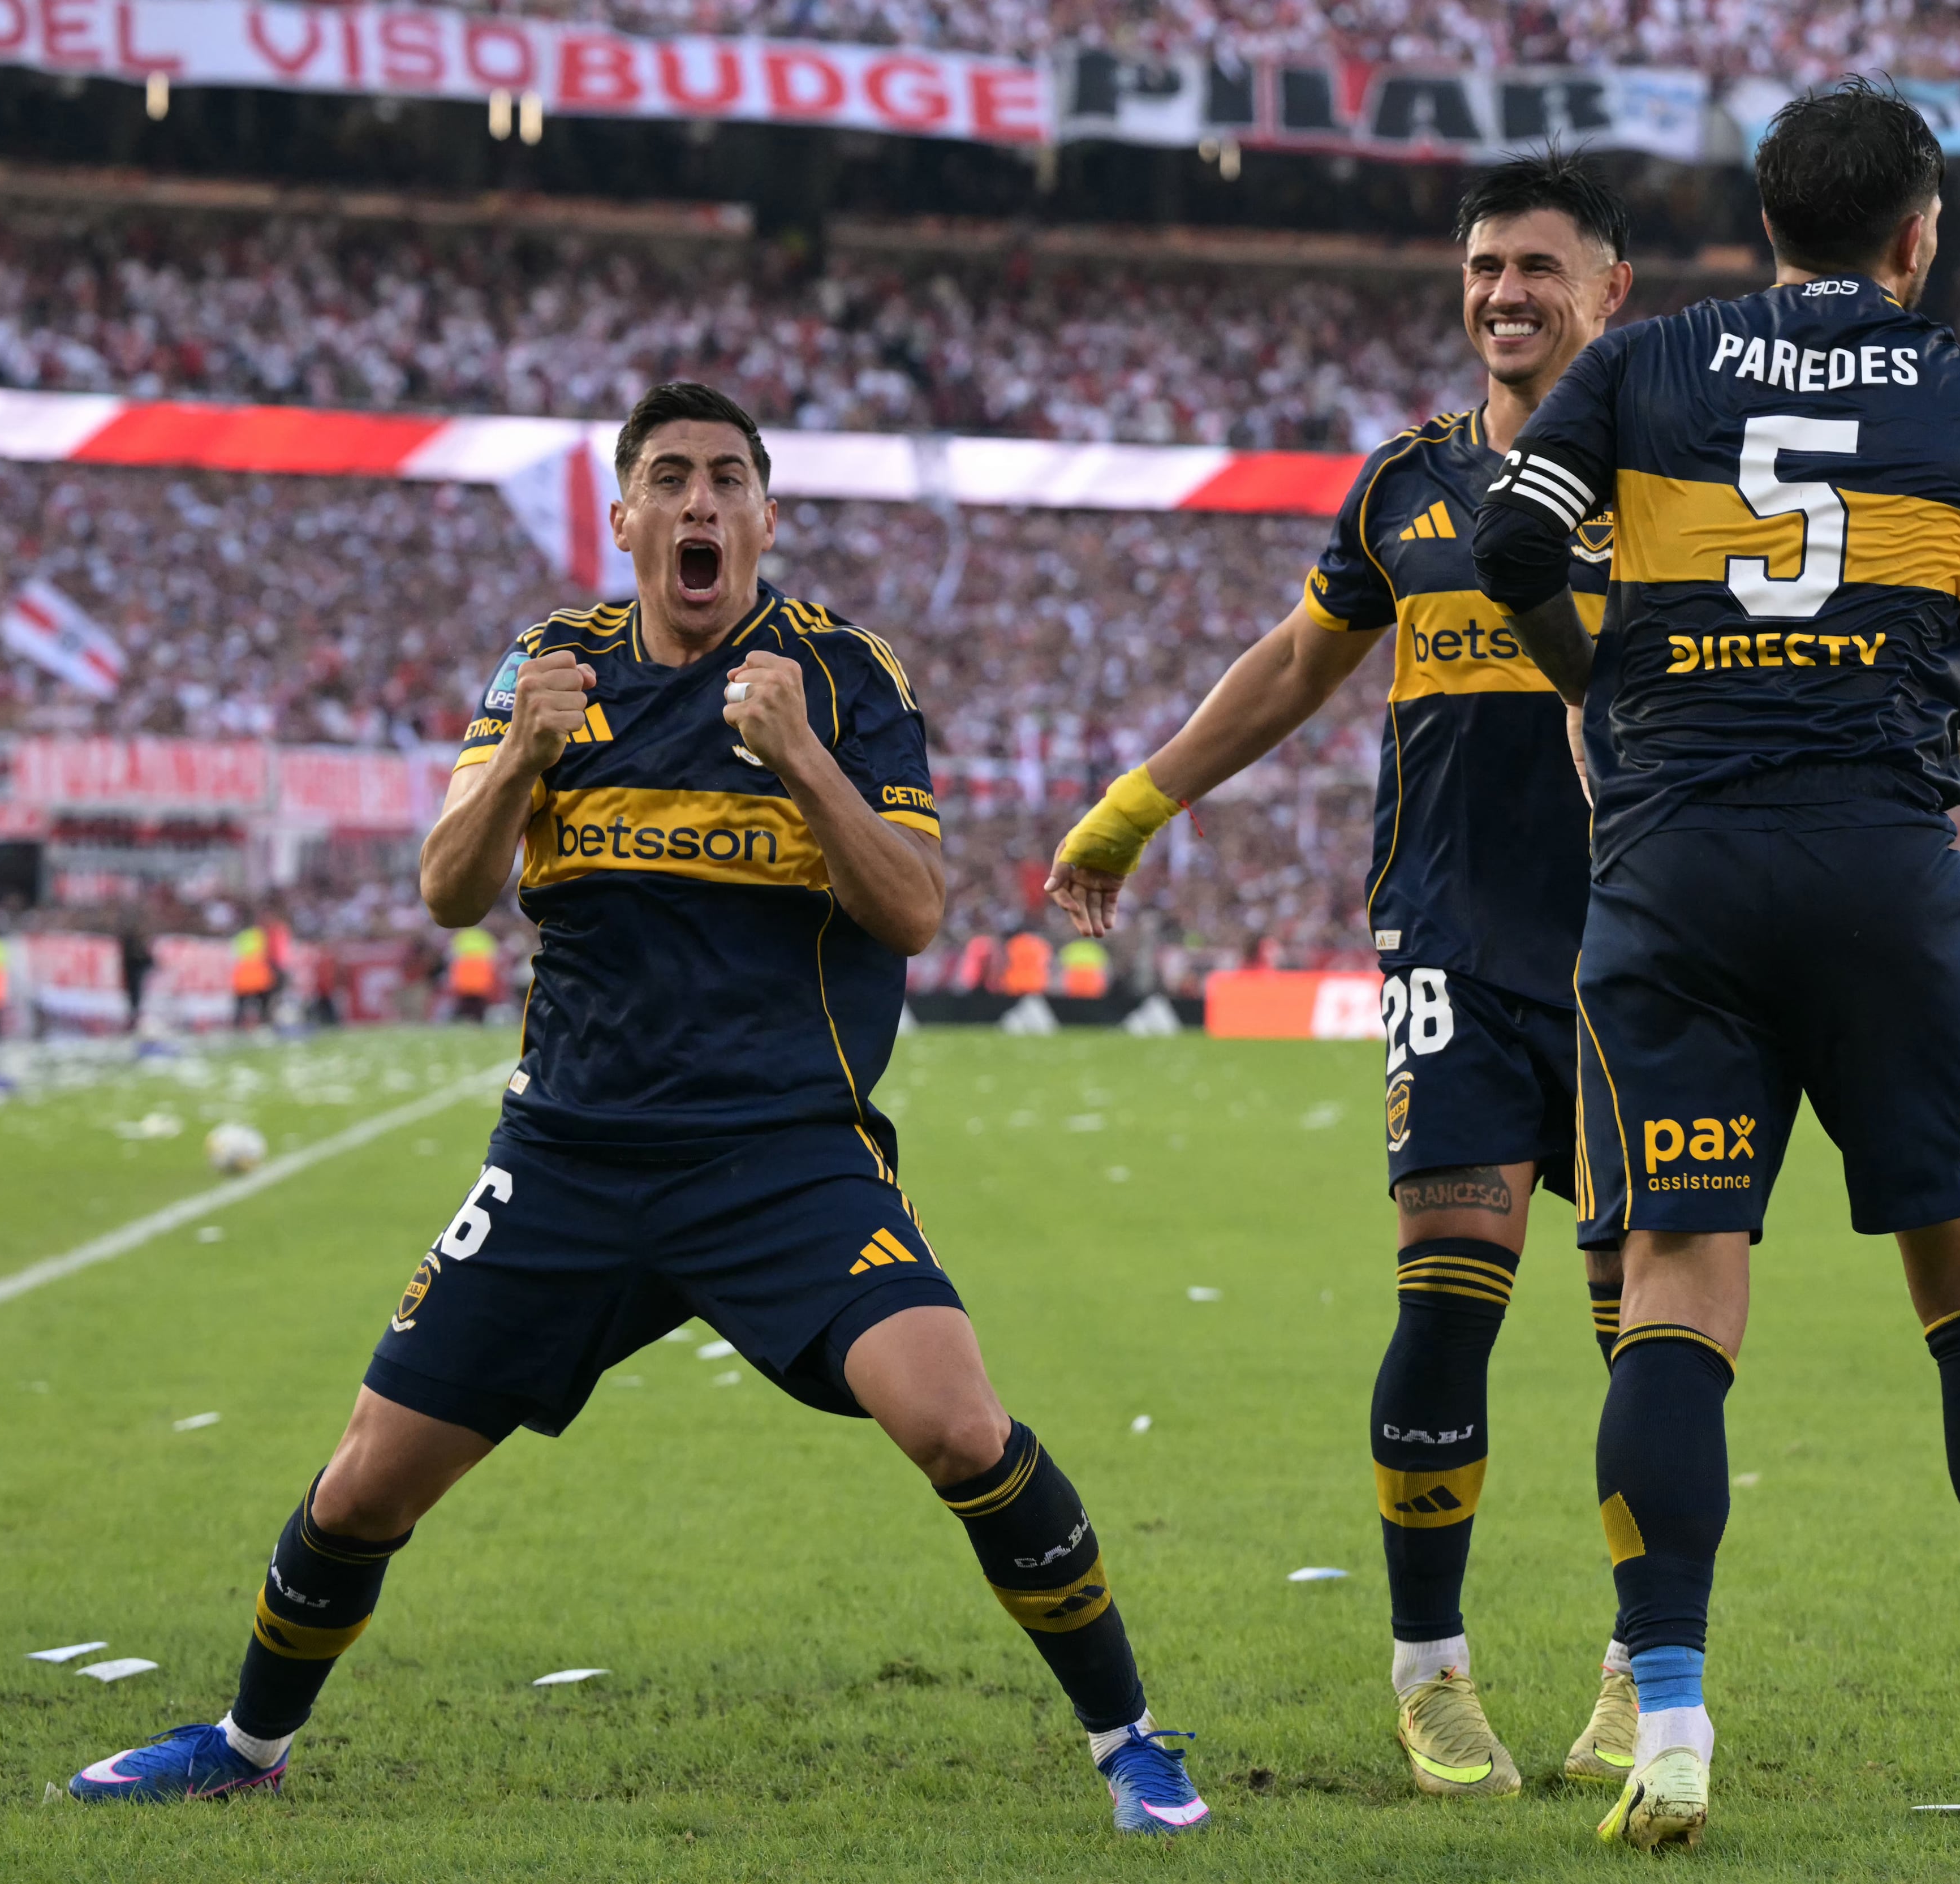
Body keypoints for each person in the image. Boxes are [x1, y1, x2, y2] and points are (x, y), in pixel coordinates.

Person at [68, 382, 1209, 1836]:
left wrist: (800, 758)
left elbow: (917, 909)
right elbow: (446, 890)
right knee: (361, 1489)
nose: (700, 504)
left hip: (785, 1154)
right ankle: (247, 1735)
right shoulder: (547, 666)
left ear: (765, 515)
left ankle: (1129, 1740)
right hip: (569, 1159)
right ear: (622, 516)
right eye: (669, 478)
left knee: (961, 1427)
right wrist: (523, 762)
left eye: (728, 479)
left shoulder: (847, 676)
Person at [1470, 81, 1960, 1848]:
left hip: (1676, 875)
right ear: (1915, 231)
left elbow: (1509, 544)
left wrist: (1600, 687)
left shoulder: (1646, 366)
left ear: (1762, 222)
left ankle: (1672, 1718)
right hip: (1875, 873)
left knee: (1680, 1294)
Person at [1048, 152, 1643, 1799]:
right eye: (1481, 267)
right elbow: (1298, 664)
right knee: (1442, 1308)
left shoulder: (1669, 491)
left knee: (1643, 1335)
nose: (1503, 294)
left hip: (1642, 952)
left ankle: (1636, 1670)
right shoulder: (1399, 489)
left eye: (1537, 265)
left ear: (1610, 295)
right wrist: (1136, 803)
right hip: (1450, 945)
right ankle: (1429, 1674)